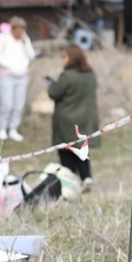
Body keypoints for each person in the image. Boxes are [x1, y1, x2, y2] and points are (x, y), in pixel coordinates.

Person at [47, 44, 99, 187]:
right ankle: (86, 177)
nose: (63, 60)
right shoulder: (90, 74)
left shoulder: (67, 76)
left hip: (67, 120)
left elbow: (54, 93)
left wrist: (51, 85)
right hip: (86, 118)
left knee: (67, 151)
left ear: (71, 58)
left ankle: (70, 181)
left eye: (65, 56)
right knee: (82, 150)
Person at [0, 17, 36, 141]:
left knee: (19, 105)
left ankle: (13, 128)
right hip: (7, 76)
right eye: (18, 31)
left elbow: (31, 56)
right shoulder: (2, 38)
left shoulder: (24, 39)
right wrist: (8, 65)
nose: (19, 34)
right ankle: (2, 128)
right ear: (12, 29)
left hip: (22, 76)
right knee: (7, 104)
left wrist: (26, 43)